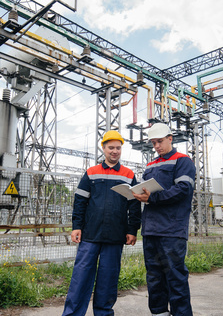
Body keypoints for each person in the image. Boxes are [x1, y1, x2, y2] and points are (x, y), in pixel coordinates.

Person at [62, 130, 141, 316]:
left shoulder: (128, 175)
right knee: (80, 278)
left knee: (108, 280)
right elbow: (80, 201)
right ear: (103, 148)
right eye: (111, 147)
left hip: (115, 235)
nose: (115, 151)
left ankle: (104, 313)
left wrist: (132, 230)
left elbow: (135, 205)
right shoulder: (91, 173)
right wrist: (76, 226)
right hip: (90, 234)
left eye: (118, 148)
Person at [133, 123, 196, 316]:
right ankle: (159, 313)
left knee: (175, 277)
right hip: (151, 229)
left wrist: (152, 197)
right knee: (154, 277)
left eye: (159, 141)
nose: (156, 146)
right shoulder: (150, 165)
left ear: (170, 138)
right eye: (153, 143)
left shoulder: (183, 161)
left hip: (171, 230)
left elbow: (183, 189)